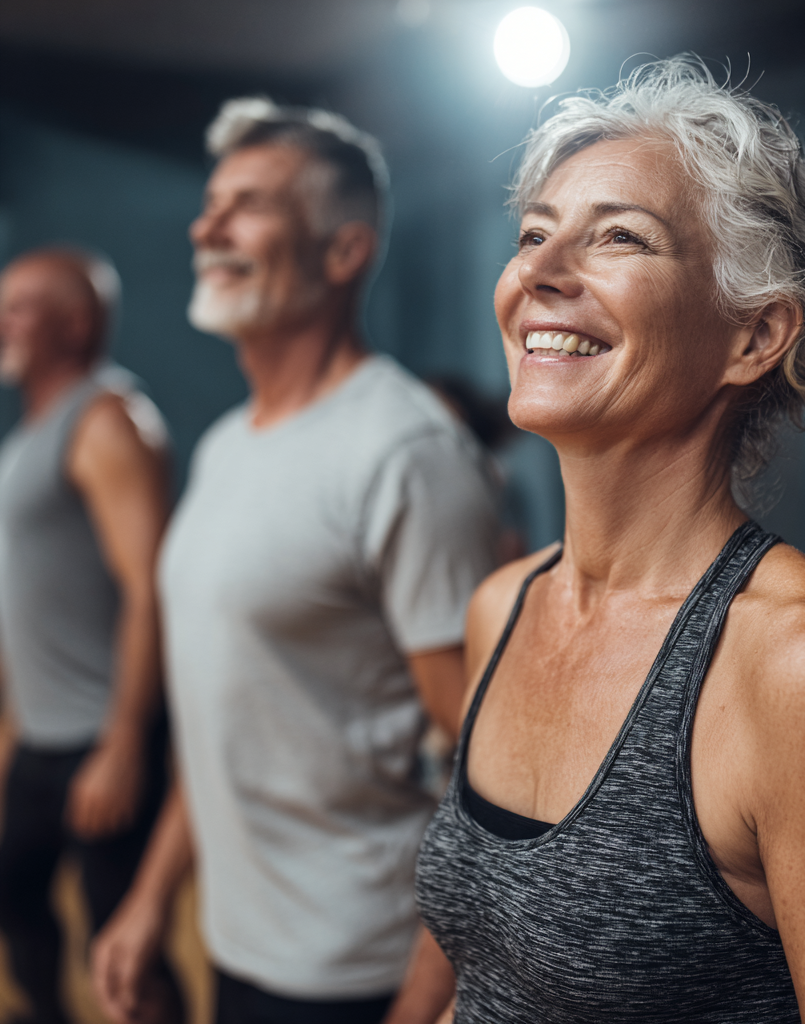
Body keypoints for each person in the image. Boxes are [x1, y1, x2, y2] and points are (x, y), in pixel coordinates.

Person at [410, 58, 805, 1023]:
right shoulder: (501, 605)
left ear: (754, 338)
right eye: (534, 234)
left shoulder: (804, 669)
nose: (539, 274)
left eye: (620, 237)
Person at [91, 99, 498, 1024]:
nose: (208, 226)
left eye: (249, 204)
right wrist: (152, 899)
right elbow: (231, 710)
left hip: (361, 971)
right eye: (210, 204)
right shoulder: (230, 444)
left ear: (344, 250)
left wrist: (420, 1007)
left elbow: (489, 776)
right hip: (237, 944)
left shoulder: (408, 454)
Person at [0, 248, 179, 1023]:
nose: (2, 320)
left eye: (21, 305)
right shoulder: (29, 435)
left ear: (75, 323)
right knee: (18, 903)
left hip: (102, 738)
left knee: (122, 950)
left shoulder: (106, 419)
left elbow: (151, 588)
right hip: (42, 739)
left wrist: (123, 744)